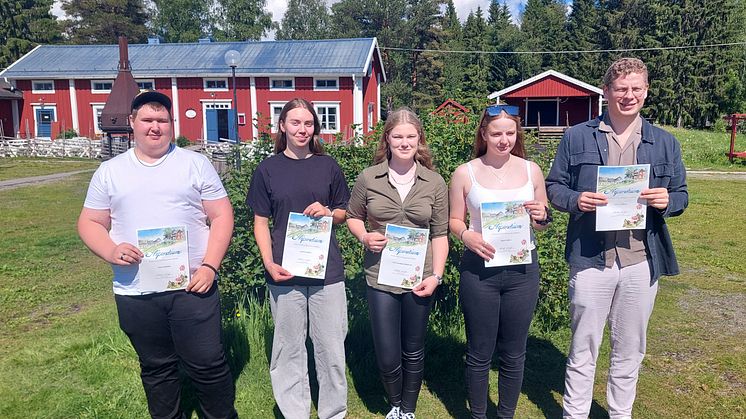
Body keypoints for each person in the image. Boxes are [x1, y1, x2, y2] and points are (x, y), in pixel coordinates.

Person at [77, 91, 237, 418]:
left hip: (193, 285)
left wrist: (210, 266)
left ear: (172, 125)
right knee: (156, 368)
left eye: (162, 120)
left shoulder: (195, 164)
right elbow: (90, 222)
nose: (155, 127)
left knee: (208, 364)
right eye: (147, 120)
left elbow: (222, 215)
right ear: (132, 123)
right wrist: (111, 249)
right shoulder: (110, 171)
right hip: (137, 289)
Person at [545, 58, 688, 418]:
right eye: (621, 88)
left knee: (629, 350)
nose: (628, 96)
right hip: (591, 258)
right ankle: (574, 414)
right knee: (583, 347)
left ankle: (619, 414)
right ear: (606, 91)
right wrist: (576, 200)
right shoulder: (577, 136)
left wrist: (668, 200)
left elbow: (682, 194)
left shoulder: (664, 143)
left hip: (641, 261)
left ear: (646, 91)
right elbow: (554, 187)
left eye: (636, 88)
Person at [246, 98, 350, 419]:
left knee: (331, 348)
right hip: (284, 271)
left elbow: (345, 212)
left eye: (308, 124)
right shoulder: (267, 170)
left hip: (327, 273)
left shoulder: (328, 166)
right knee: (288, 349)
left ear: (314, 128)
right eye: (295, 123)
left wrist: (329, 212)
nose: (302, 129)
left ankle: (333, 412)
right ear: (282, 126)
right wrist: (268, 262)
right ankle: (295, 413)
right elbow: (260, 222)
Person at [449, 104, 551, 419]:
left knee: (514, 352)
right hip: (479, 272)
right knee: (479, 352)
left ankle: (506, 414)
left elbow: (543, 219)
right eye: (496, 133)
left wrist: (541, 215)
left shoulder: (531, 169)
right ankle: (479, 414)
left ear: (516, 134)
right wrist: (467, 236)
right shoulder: (464, 173)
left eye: (509, 133)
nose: (503, 140)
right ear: (484, 134)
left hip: (522, 271)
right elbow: (454, 220)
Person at [347, 108, 449, 419]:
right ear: (387, 140)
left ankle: (407, 409)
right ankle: (394, 402)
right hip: (380, 275)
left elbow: (441, 233)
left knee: (414, 347)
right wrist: (365, 237)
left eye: (410, 136)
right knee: (387, 350)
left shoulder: (434, 182)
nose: (404, 142)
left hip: (420, 277)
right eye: (397, 137)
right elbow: (353, 217)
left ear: (420, 140)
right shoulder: (369, 177)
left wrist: (437, 276)